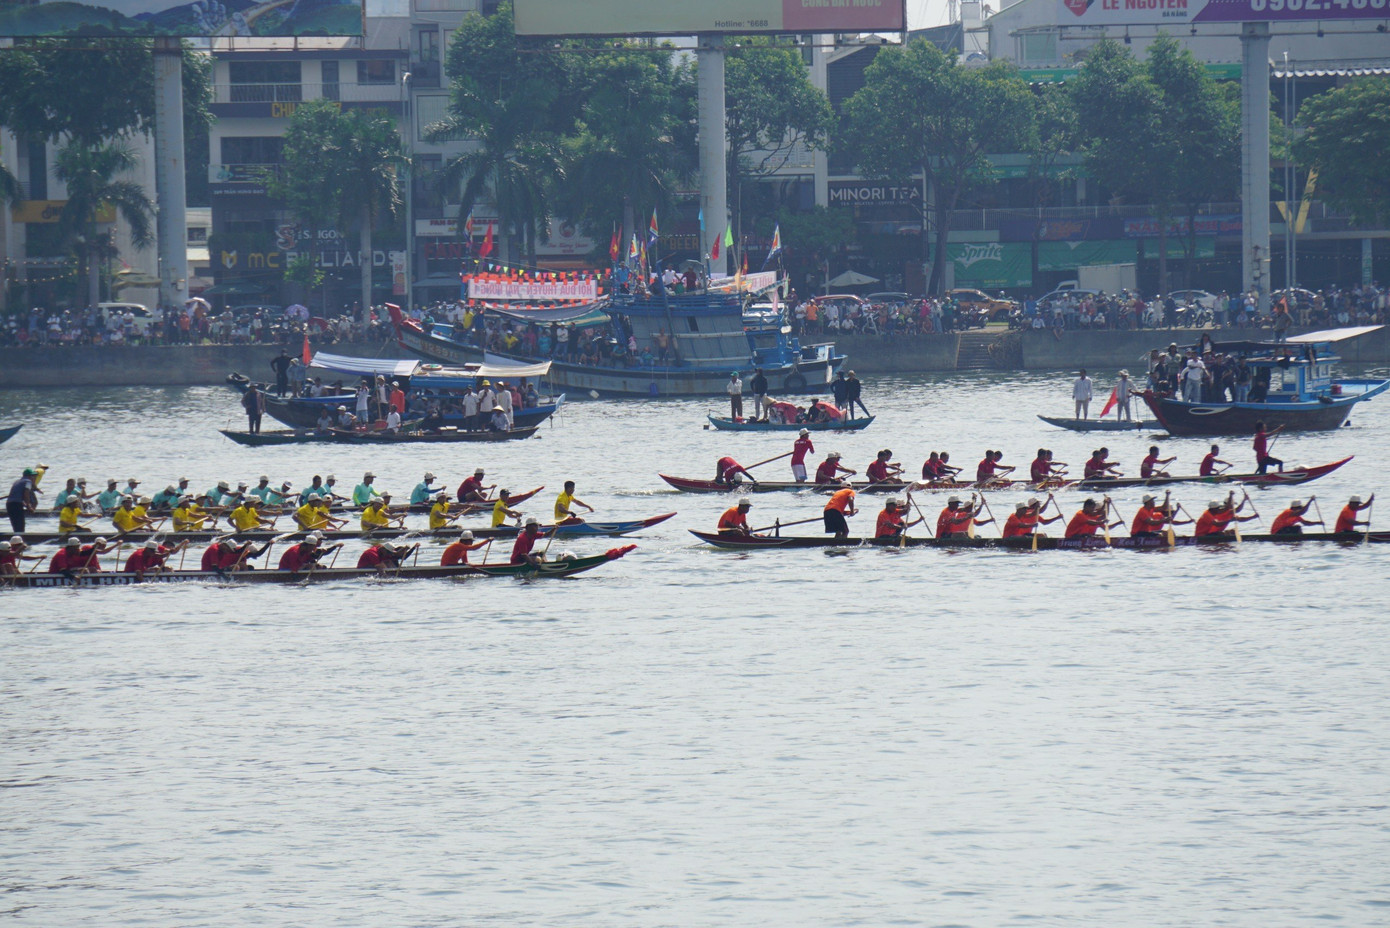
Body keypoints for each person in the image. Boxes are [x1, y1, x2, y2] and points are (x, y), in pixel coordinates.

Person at [7, 468, 38, 533]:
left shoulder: (17, 482)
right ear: (30, 476)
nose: (34, 478)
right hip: (16, 505)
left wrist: (25, 505)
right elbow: (26, 493)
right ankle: (21, 539)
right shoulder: (28, 481)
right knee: (20, 527)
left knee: (15, 526)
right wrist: (29, 506)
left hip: (9, 504)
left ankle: (16, 538)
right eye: (33, 476)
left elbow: (16, 496)